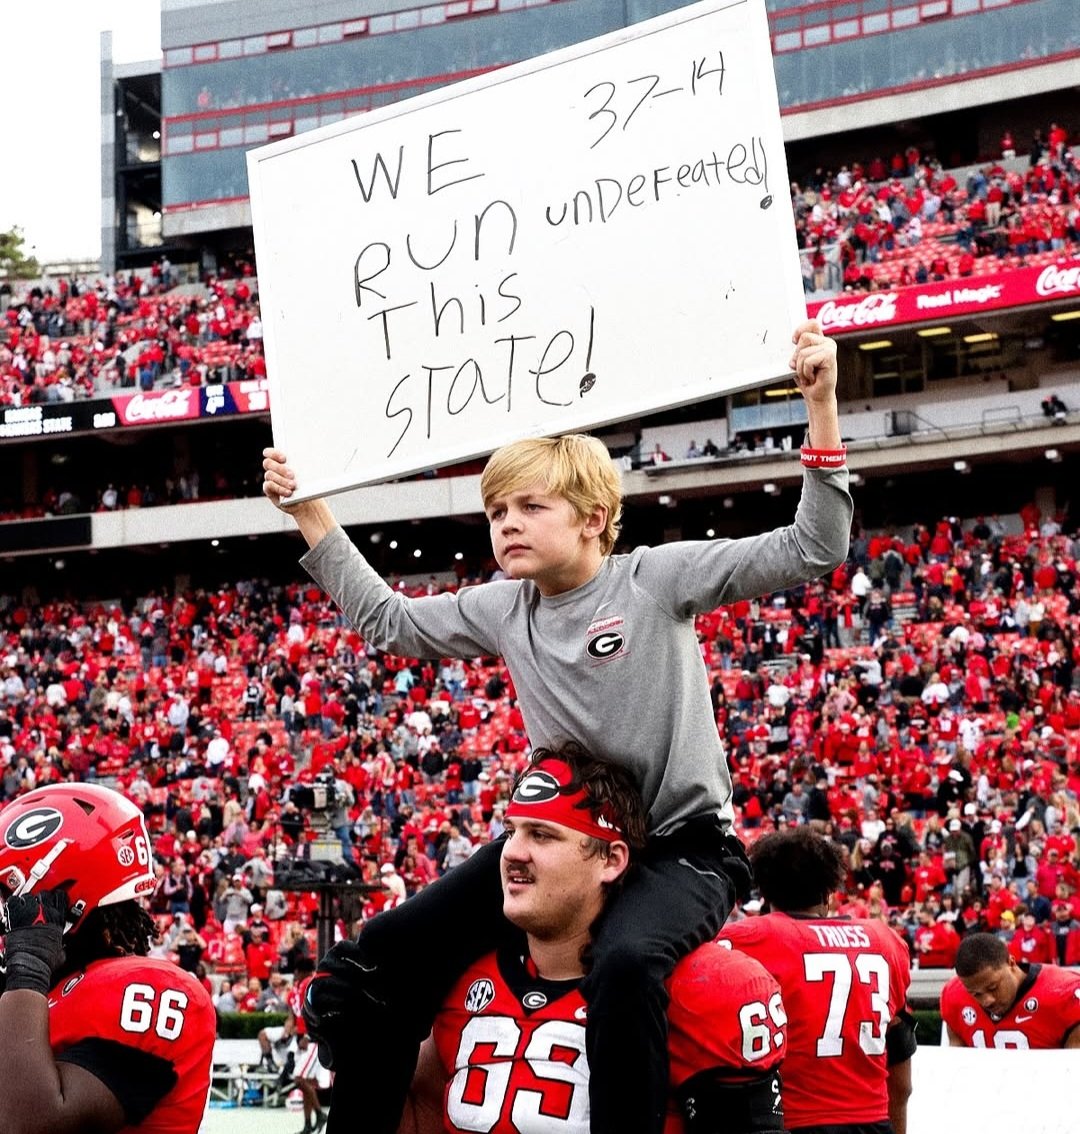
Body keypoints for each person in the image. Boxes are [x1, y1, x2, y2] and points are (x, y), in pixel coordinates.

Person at [263, 320, 850, 1134]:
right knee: (367, 969)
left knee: (627, 963)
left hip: (679, 848)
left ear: (593, 517)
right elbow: (389, 621)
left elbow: (814, 546)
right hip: (564, 841)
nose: (506, 523)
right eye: (496, 510)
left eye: (530, 506)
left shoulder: (654, 580)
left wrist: (820, 405)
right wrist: (310, 511)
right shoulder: (503, 607)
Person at [401, 746, 787, 1134]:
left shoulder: (695, 988)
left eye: (542, 835)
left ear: (611, 860)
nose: (512, 852)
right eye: (511, 831)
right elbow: (423, 1110)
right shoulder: (464, 978)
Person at [0, 783, 217, 1134]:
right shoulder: (45, 993)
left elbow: (28, 1123)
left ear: (56, 901)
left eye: (6, 897)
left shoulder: (145, 990)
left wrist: (27, 970)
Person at [718, 828, 915, 1134]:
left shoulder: (746, 939)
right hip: (871, 1119)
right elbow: (900, 1047)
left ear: (765, 892)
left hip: (793, 1119)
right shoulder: (884, 939)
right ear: (828, 892)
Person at [940, 933, 1080, 1049]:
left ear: (1011, 963)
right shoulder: (955, 995)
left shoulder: (1063, 992)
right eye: (976, 994)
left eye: (993, 988)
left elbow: (1073, 1069)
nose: (987, 1001)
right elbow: (957, 1067)